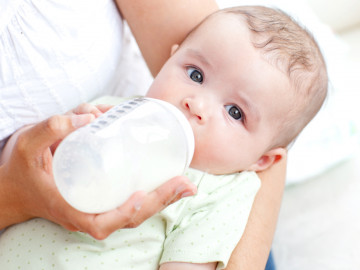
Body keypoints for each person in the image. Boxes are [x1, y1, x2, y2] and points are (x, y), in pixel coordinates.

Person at [0, 5, 327, 269]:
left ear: (263, 159)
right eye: (195, 75)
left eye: (235, 112)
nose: (197, 104)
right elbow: (25, 157)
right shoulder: (113, 113)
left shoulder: (219, 193)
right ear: (171, 58)